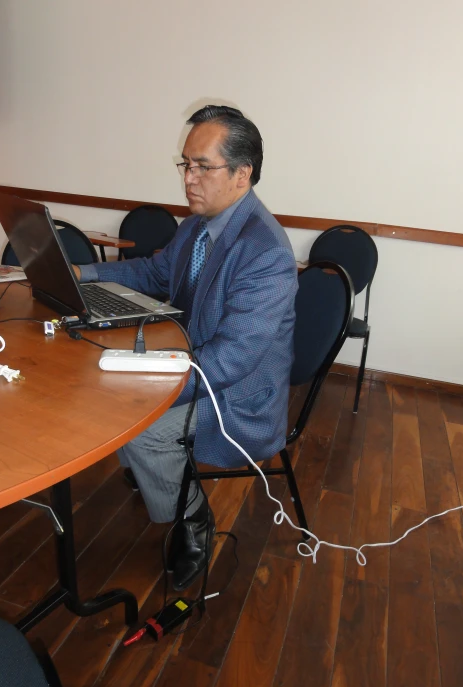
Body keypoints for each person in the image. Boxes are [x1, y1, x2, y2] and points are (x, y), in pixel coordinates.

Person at [74, 105, 298, 590]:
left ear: (243, 175)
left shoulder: (266, 252)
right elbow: (153, 273)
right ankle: (156, 475)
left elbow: (232, 361)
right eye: (186, 165)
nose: (189, 179)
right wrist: (82, 274)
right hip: (194, 357)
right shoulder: (199, 224)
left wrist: (150, 389)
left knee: (143, 427)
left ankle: (193, 517)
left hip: (239, 392)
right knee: (112, 388)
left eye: (203, 167)